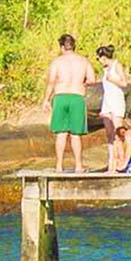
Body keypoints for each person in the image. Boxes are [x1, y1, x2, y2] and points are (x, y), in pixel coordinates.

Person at [42, 34, 97, 172]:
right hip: (77, 97)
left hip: (60, 96)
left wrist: (46, 99)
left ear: (62, 47)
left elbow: (51, 82)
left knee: (61, 133)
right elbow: (92, 79)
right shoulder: (84, 61)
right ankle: (78, 166)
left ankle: (59, 166)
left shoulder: (57, 62)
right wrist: (81, 83)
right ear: (74, 46)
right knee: (75, 134)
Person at [96, 45, 128, 172]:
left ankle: (122, 160)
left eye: (98, 59)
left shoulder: (116, 65)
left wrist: (113, 79)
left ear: (104, 58)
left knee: (118, 132)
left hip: (116, 100)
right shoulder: (105, 69)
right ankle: (111, 162)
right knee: (109, 134)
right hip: (107, 102)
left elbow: (124, 83)